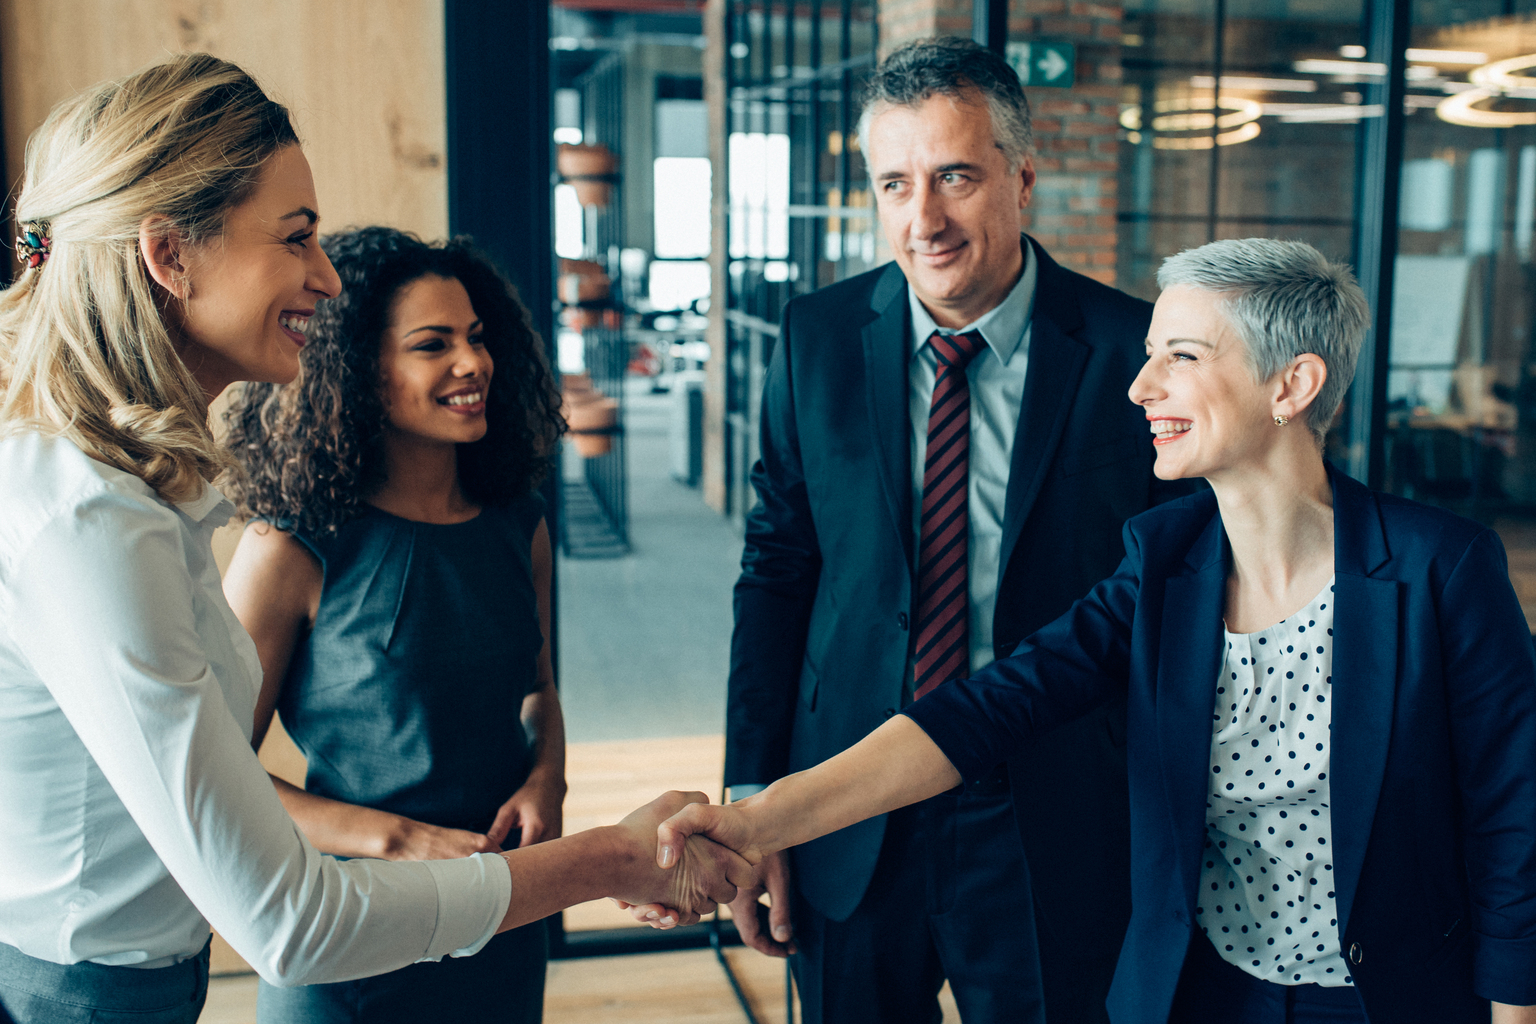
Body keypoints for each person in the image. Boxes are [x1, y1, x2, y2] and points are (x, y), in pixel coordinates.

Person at [0, 54, 744, 1024]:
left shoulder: (136, 491)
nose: (324, 274)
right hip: (95, 994)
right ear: (169, 255)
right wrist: (607, 857)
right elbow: (291, 922)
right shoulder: (86, 517)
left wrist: (549, 790)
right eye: (298, 237)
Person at [654, 238, 1536, 1024]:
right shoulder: (1163, 561)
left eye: (1181, 357)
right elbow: (986, 709)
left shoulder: (1438, 568)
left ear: (1291, 385)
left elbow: (1513, 810)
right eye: (1150, 355)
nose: (1140, 386)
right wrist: (761, 817)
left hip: (1391, 999)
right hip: (1203, 992)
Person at [720, 35, 1188, 1024]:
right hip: (848, 797)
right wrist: (756, 792)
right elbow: (777, 571)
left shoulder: (1130, 355)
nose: (923, 219)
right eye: (895, 183)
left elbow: (1175, 601)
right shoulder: (816, 339)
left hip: (1052, 808)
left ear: (1023, 178)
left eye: (956, 177)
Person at [220, 228, 564, 1023]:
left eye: (477, 338)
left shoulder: (521, 523)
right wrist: (397, 840)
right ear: (362, 372)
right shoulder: (290, 546)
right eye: (432, 345)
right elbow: (212, 778)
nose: (472, 363)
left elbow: (540, 690)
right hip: (352, 924)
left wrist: (548, 777)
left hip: (500, 912)